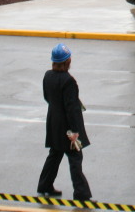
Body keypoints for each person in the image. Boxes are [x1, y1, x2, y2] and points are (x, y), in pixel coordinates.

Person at [37, 43, 93, 202]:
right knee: (75, 158)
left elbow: (47, 97)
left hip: (53, 122)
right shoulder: (69, 81)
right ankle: (81, 194)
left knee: (55, 154)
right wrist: (75, 132)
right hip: (68, 128)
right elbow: (72, 108)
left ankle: (45, 185)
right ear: (67, 61)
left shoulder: (48, 76)